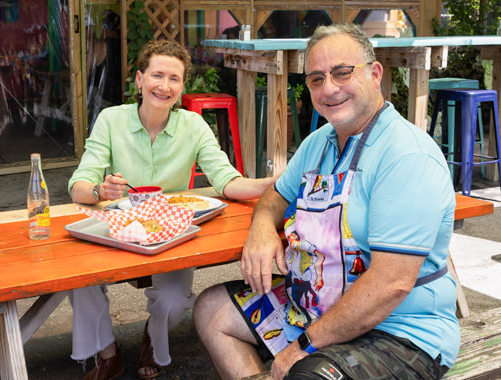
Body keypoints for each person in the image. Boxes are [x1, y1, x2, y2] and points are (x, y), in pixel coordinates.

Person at [193, 23, 459, 380]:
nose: (328, 88)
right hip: (316, 306)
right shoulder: (319, 142)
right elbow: (276, 193)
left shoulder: (406, 155)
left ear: (374, 74)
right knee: (213, 311)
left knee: (305, 375)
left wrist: (302, 347)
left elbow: (389, 285)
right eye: (316, 79)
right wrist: (260, 229)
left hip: (399, 332)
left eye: (342, 73)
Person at [68, 39, 278, 380]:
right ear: (139, 79)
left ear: (182, 87)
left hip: (170, 231)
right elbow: (78, 185)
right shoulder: (111, 120)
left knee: (173, 299)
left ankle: (153, 335)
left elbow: (227, 181)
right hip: (120, 227)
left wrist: (272, 182)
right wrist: (99, 189)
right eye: (157, 75)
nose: (164, 86)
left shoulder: (193, 126)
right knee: (78, 281)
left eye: (174, 79)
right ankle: (108, 355)